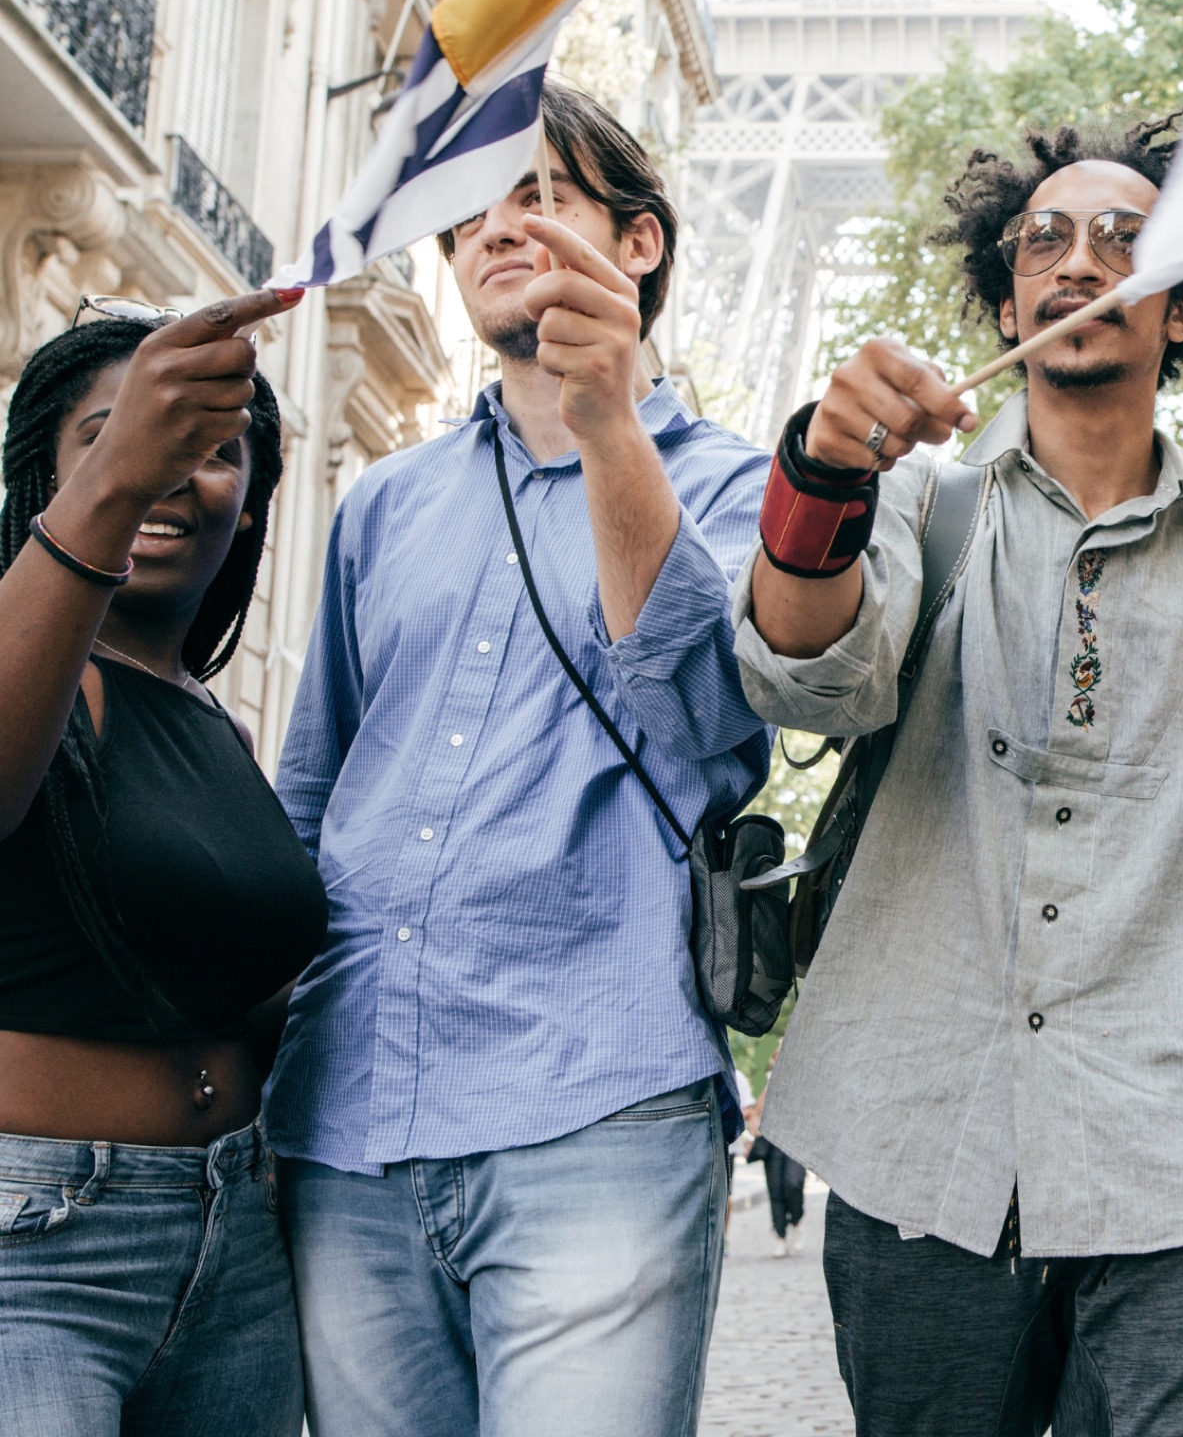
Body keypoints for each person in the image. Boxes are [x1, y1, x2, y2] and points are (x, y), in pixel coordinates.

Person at [732, 118, 1183, 1437]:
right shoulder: (918, 505)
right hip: (922, 1145)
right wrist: (818, 475)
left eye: (1129, 241)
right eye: (1047, 238)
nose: (1081, 261)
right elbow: (810, 678)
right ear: (1012, 297)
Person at [267, 85, 772, 1437]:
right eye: (470, 211)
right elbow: (313, 795)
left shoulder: (743, 487)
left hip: (596, 1107)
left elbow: (706, 723)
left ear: (642, 242)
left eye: (539, 193)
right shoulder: (383, 502)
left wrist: (609, 426)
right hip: (349, 1112)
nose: (496, 226)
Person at [0, 293, 325, 1433]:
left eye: (214, 449)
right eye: (122, 433)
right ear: (44, 478)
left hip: (233, 1240)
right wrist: (113, 481)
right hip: (35, 1251)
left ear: (250, 510)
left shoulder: (217, 729)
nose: (174, 471)